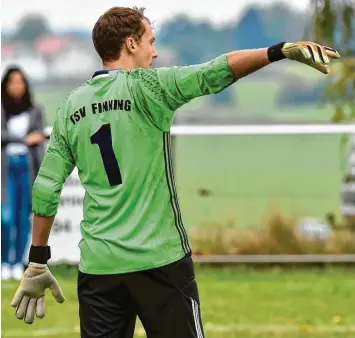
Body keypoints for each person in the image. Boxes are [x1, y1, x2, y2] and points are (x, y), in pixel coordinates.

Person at [11, 6, 340, 336]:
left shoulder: (70, 106)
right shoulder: (150, 87)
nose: (154, 53)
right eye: (150, 42)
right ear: (130, 44)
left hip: (100, 268)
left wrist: (38, 260)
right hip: (160, 261)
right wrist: (278, 51)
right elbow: (215, 72)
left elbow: (46, 187)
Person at [1, 66, 47, 281]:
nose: (17, 86)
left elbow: (39, 136)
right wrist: (23, 140)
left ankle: (18, 262)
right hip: (6, 166)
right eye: (12, 82)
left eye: (20, 82)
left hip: (27, 167)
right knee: (6, 217)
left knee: (22, 216)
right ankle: (3, 261)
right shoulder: (2, 110)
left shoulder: (35, 109)